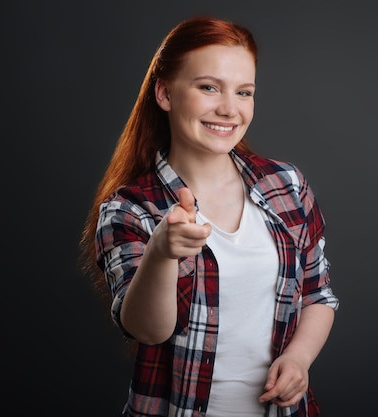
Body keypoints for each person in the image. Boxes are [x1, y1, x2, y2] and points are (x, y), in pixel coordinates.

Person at [80, 16, 339, 417]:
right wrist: (161, 253)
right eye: (208, 87)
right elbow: (147, 330)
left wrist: (300, 359)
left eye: (244, 92)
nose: (229, 109)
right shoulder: (129, 208)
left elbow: (317, 294)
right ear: (165, 93)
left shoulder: (286, 184)